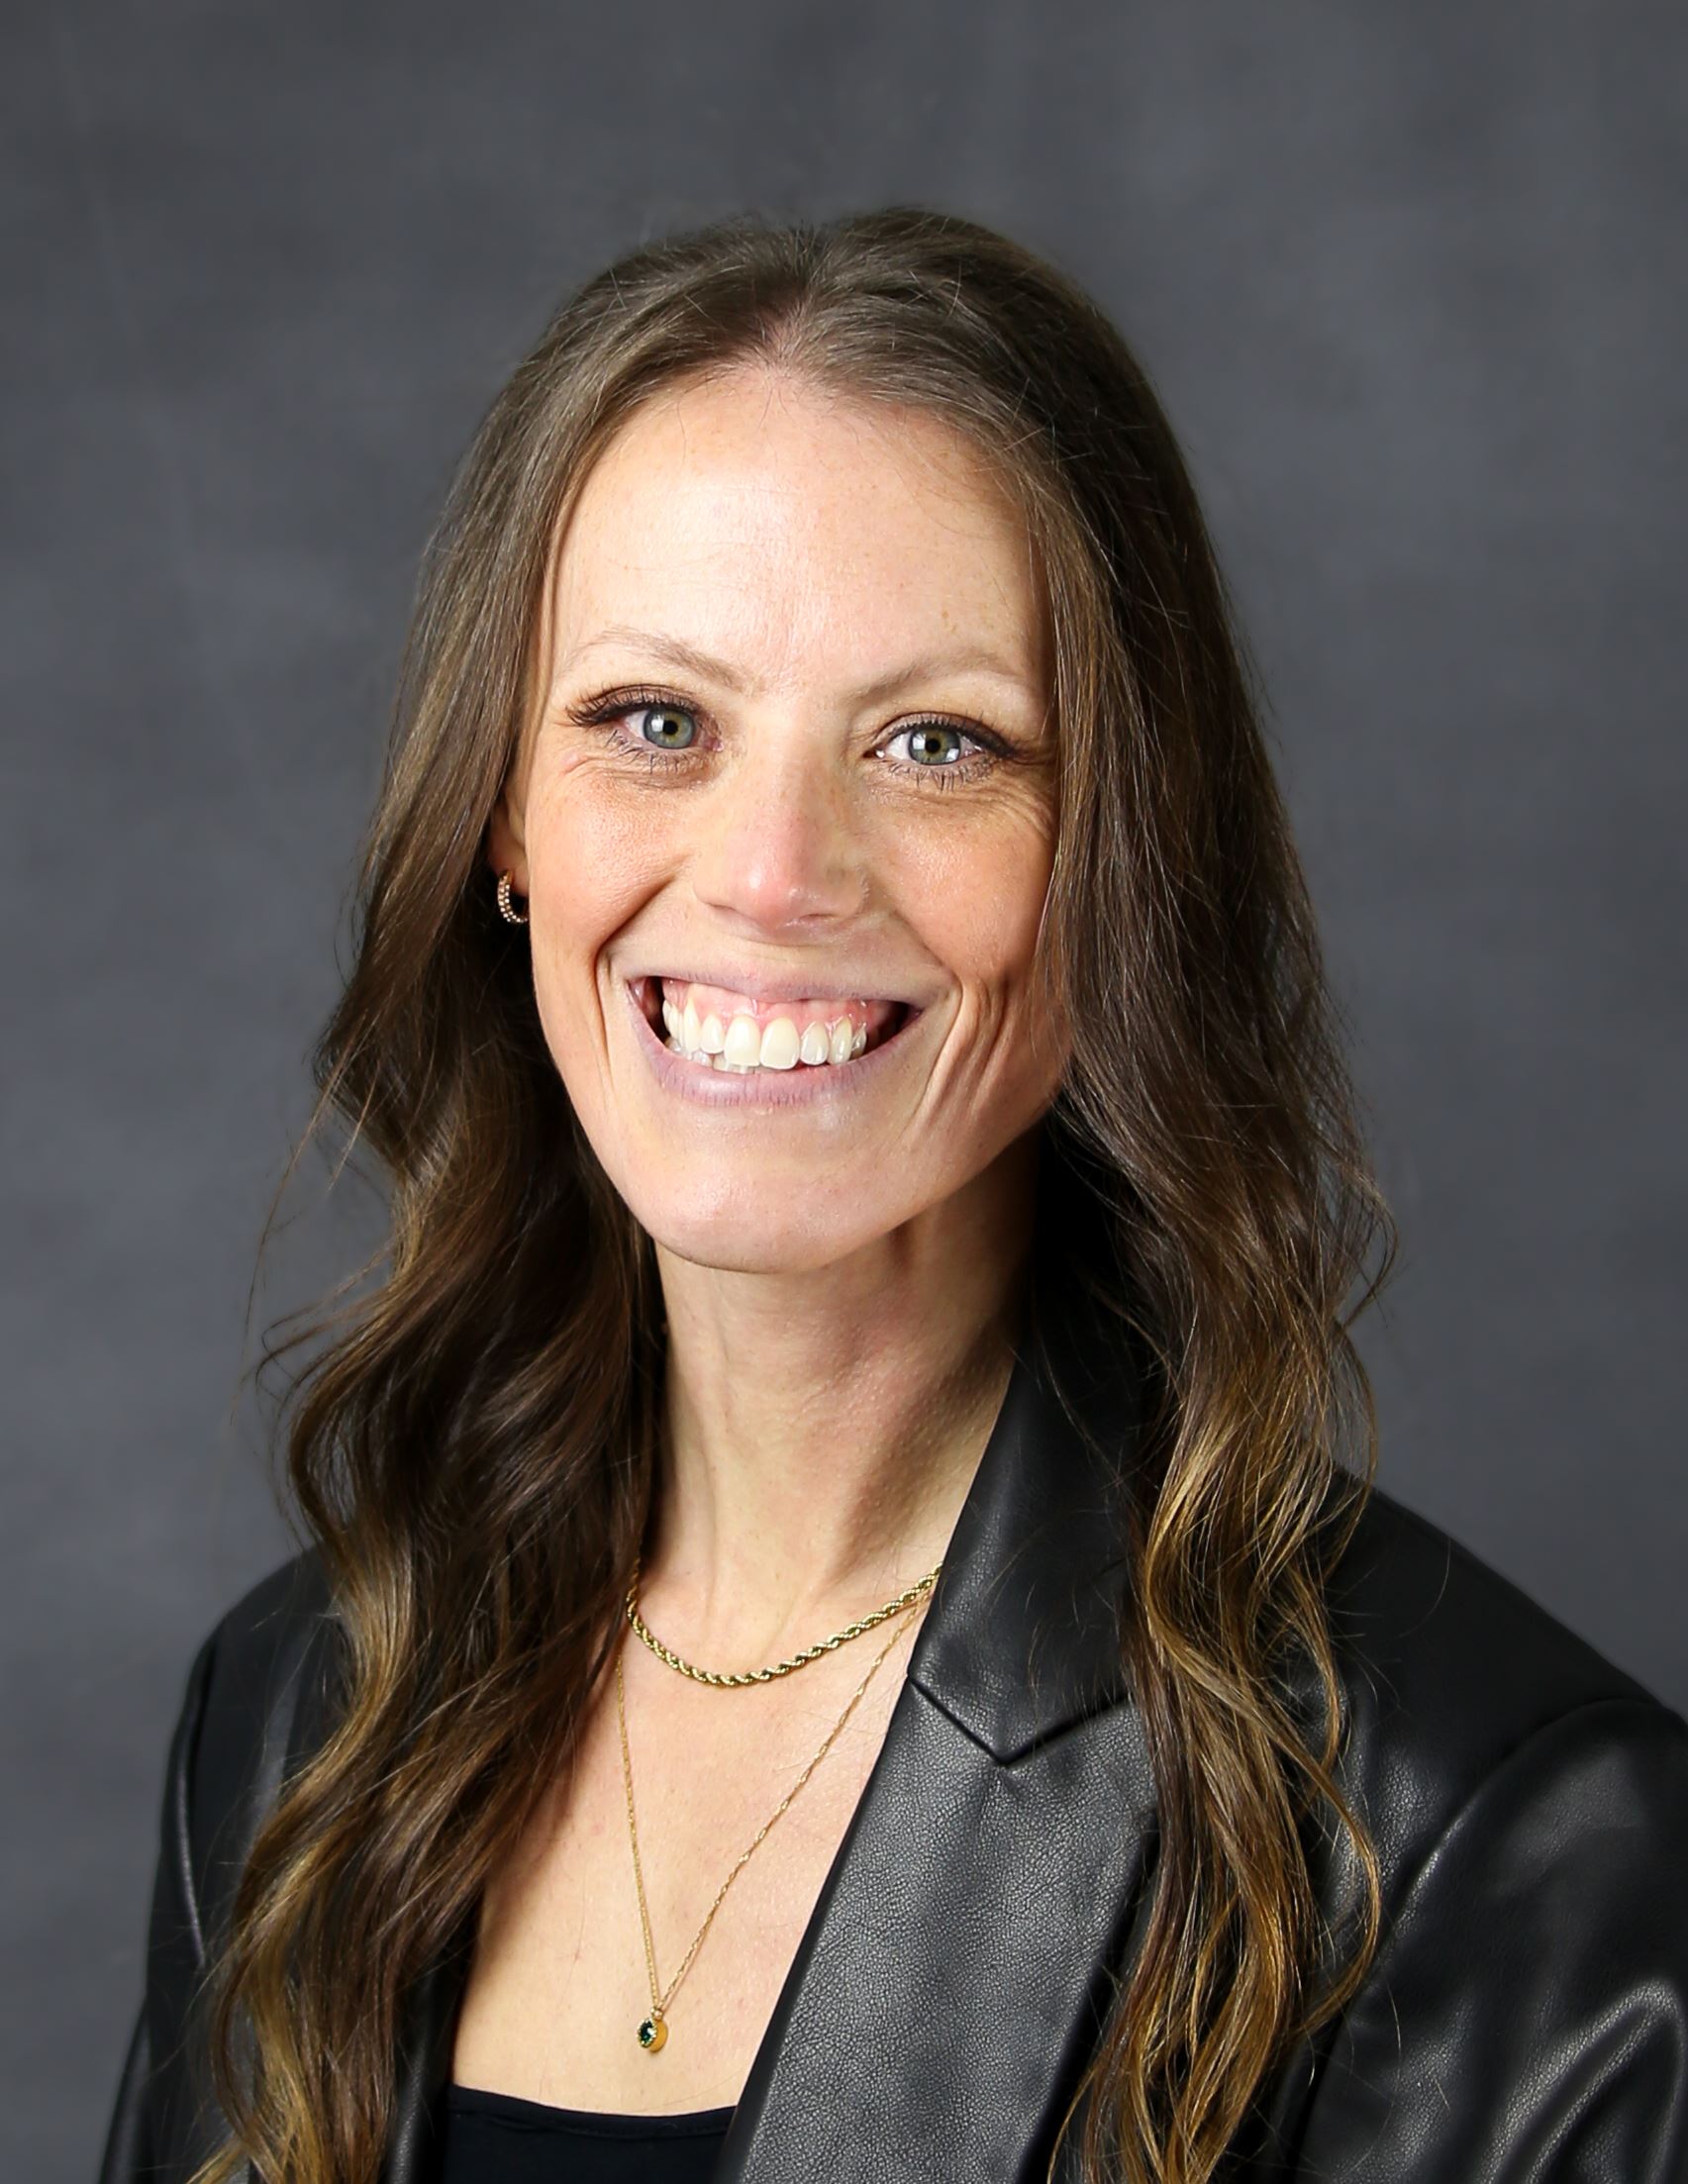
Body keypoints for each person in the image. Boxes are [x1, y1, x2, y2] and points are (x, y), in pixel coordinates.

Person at [96, 207, 1688, 2184]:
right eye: (654, 722)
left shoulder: (1486, 1838)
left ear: (1114, 860)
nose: (772, 871)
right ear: (508, 817)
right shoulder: (289, 1728)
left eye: (936, 744)